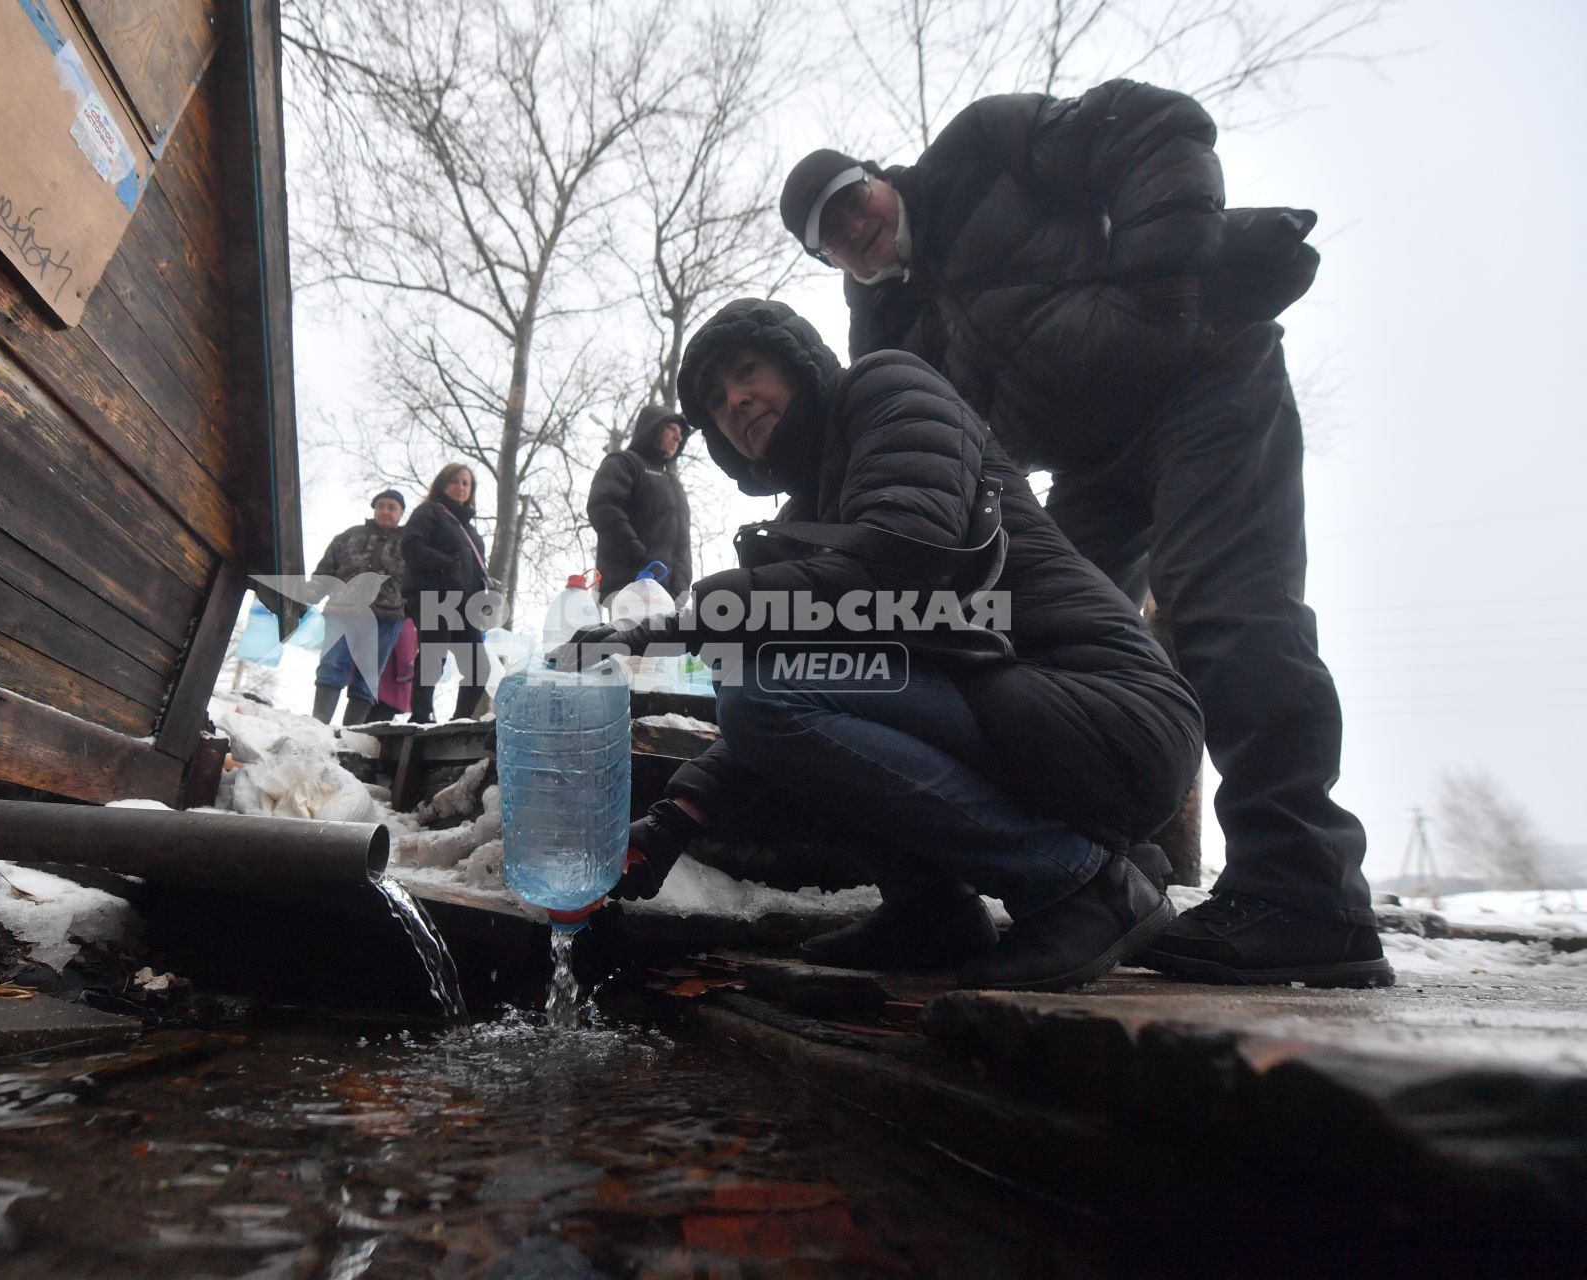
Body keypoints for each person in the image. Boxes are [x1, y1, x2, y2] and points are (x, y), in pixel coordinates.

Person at [778, 79, 1391, 988]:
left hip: (1204, 376)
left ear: (880, 179)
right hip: (1089, 468)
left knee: (1226, 609)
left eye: (851, 200)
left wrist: (1164, 285)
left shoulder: (979, 149)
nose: (852, 228)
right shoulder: (885, 332)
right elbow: (910, 451)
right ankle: (1106, 874)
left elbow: (1153, 127)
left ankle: (1307, 890)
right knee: (1032, 643)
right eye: (829, 234)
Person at [555, 298, 1204, 992]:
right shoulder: (814, 510)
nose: (736, 400)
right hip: (1015, 711)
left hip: (1109, 707)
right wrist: (671, 824)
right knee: (769, 688)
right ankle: (930, 914)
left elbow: (899, 560)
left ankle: (1081, 887)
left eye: (748, 371)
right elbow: (807, 691)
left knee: (767, 685)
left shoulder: (887, 388)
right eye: (715, 400)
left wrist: (667, 625)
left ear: (799, 363)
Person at [401, 462, 492, 723]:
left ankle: (459, 721)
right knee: (432, 656)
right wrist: (446, 564)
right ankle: (419, 716)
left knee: (478, 667)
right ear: (443, 484)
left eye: (466, 483)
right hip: (432, 595)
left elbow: (476, 572)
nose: (461, 487)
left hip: (466, 605)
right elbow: (410, 546)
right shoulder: (429, 512)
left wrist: (483, 599)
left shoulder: (472, 534)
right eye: (455, 481)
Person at [310, 490, 407, 725]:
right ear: (374, 509)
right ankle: (318, 725)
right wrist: (308, 595)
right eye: (381, 505)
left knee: (368, 675)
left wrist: (412, 610)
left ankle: (351, 733)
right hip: (342, 611)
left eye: (392, 507)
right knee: (332, 664)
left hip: (387, 617)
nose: (385, 511)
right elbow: (325, 572)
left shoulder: (410, 544)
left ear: (401, 513)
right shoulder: (349, 536)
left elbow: (421, 582)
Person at [586, 404, 693, 606]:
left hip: (670, 594)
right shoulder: (625, 463)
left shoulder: (673, 483)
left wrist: (682, 585)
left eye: (681, 434)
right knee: (632, 638)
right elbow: (603, 507)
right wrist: (637, 555)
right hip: (631, 584)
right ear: (653, 428)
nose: (678, 438)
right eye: (672, 429)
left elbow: (682, 539)